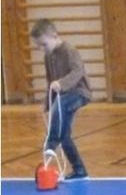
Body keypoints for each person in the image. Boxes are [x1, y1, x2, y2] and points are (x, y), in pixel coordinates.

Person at [30, 19, 91, 181]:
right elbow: (51, 82)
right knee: (64, 134)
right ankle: (80, 171)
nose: (41, 49)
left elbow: (78, 71)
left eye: (43, 44)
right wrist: (47, 103)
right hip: (63, 97)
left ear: (54, 36)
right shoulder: (48, 57)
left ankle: (50, 144)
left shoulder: (69, 50)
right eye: (38, 46)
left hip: (79, 92)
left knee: (62, 103)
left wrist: (62, 83)